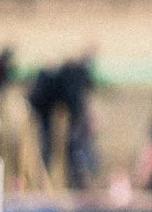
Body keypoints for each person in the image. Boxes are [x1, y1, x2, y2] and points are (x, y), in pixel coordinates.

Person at [27, 51, 99, 190]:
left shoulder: (65, 77)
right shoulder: (68, 78)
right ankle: (72, 181)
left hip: (63, 116)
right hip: (55, 114)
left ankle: (76, 181)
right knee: (66, 148)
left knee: (72, 149)